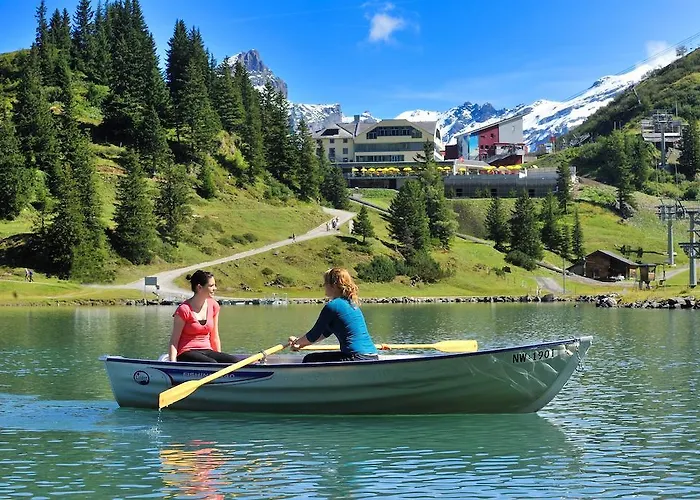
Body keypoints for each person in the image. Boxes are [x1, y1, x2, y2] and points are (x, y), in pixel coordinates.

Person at [288, 268, 378, 363]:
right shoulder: (351, 303)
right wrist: (299, 343)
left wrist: (297, 342)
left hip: (356, 357)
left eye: (325, 283)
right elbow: (324, 334)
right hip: (372, 356)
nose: (323, 285)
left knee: (309, 359)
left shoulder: (333, 306)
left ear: (333, 285)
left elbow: (313, 335)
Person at [168, 270, 238, 363]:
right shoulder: (184, 310)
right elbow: (174, 341)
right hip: (186, 352)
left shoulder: (214, 305)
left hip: (207, 350)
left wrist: (220, 359)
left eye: (215, 285)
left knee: (234, 361)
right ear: (199, 287)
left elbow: (214, 337)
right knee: (211, 363)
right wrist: (173, 363)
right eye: (211, 286)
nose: (215, 288)